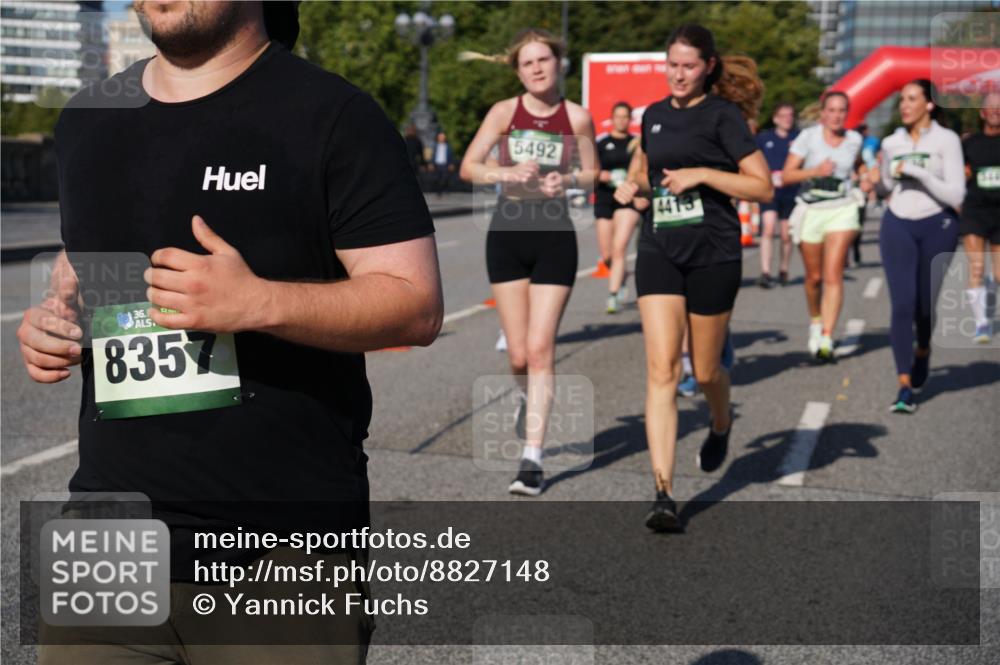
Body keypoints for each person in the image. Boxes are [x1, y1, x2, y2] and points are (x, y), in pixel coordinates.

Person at [18, 2, 442, 662]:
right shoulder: (87, 119)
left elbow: (416, 304)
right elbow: (80, 267)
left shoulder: (333, 115)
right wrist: (54, 322)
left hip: (281, 552)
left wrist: (258, 302)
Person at [614, 26, 772, 530]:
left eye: (688, 66)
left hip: (713, 253)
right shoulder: (653, 116)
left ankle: (721, 421)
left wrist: (702, 174)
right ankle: (663, 493)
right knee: (661, 370)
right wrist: (631, 187)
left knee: (704, 372)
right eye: (672, 65)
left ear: (708, 67)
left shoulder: (723, 117)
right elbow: (645, 172)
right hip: (660, 247)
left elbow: (762, 187)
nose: (678, 75)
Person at [459, 28, 598, 496]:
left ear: (559, 63)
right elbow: (469, 166)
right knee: (518, 354)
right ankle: (525, 395)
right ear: (518, 71)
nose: (537, 68)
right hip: (507, 234)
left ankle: (532, 459)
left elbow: (592, 172)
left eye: (544, 59)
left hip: (555, 236)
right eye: (528, 63)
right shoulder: (504, 113)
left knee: (540, 349)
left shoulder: (576, 117)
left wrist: (569, 180)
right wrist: (506, 172)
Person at [865, 79, 964, 413]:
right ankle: (904, 384)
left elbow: (956, 194)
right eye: (902, 100)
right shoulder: (892, 142)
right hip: (898, 223)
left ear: (929, 104)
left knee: (925, 305)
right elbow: (886, 186)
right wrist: (875, 181)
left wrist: (919, 173)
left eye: (911, 99)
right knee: (902, 303)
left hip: (938, 224)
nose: (904, 106)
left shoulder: (946, 140)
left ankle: (923, 349)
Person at [781, 91, 863, 362]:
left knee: (833, 275)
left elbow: (859, 165)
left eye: (841, 111)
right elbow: (787, 175)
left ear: (846, 114)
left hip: (842, 209)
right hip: (812, 210)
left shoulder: (854, 140)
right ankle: (815, 321)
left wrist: (866, 175)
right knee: (814, 278)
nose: (836, 116)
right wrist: (814, 171)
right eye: (832, 110)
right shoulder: (808, 138)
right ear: (823, 113)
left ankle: (827, 336)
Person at [595, 102, 646, 313]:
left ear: (630, 119)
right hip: (605, 198)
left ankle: (613, 295)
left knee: (619, 247)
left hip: (627, 200)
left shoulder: (636, 143)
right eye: (618, 116)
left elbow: (643, 169)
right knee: (607, 254)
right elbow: (590, 169)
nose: (622, 120)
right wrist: (602, 175)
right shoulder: (601, 143)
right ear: (612, 118)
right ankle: (621, 276)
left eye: (625, 117)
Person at [960, 91, 1000, 344]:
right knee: (976, 267)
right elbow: (956, 172)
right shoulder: (969, 143)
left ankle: (990, 291)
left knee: (999, 274)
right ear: (983, 113)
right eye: (992, 107)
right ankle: (981, 324)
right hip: (975, 211)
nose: (996, 111)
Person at [755, 102, 798, 287]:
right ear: (775, 119)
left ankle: (784, 269)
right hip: (770, 190)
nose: (787, 119)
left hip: (791, 191)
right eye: (783, 115)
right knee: (769, 228)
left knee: (786, 234)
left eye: (790, 115)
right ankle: (765, 272)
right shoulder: (764, 138)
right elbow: (756, 161)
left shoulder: (798, 138)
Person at [432, 131, 455, 197]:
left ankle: (442, 190)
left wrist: (451, 164)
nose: (441, 138)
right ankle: (439, 191)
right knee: (437, 178)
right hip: (437, 164)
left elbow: (451, 155)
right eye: (440, 137)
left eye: (443, 137)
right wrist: (431, 163)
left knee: (444, 178)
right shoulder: (435, 146)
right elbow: (433, 155)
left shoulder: (448, 146)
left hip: (445, 164)